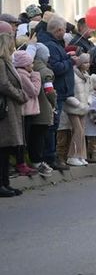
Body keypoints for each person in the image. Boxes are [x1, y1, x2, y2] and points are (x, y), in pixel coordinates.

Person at [39, 15, 75, 171]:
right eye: (64, 30)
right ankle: (50, 156)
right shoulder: (51, 45)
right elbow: (56, 68)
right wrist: (70, 61)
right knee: (52, 125)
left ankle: (51, 155)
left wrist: (66, 56)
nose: (65, 33)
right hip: (56, 91)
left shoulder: (54, 44)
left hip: (60, 91)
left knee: (53, 124)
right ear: (59, 30)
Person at [0, 32, 27, 197]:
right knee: (2, 148)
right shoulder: (1, 62)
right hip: (5, 109)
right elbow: (3, 84)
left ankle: (5, 182)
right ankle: (1, 183)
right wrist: (19, 94)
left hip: (11, 108)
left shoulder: (6, 62)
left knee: (7, 148)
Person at [27, 43, 56, 176]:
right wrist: (54, 102)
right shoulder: (46, 72)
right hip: (43, 109)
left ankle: (34, 160)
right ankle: (38, 161)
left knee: (33, 136)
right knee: (40, 136)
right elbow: (49, 90)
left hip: (31, 109)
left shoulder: (30, 69)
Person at [12, 50, 41, 176]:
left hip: (27, 111)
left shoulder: (23, 74)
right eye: (30, 64)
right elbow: (34, 91)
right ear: (24, 65)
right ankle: (20, 163)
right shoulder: (23, 75)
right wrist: (36, 77)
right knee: (23, 138)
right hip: (24, 111)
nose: (32, 66)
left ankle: (22, 161)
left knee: (25, 137)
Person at [63, 53, 92, 166]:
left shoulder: (87, 76)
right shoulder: (72, 75)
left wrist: (88, 102)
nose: (87, 64)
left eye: (88, 62)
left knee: (82, 131)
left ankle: (81, 155)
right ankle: (72, 155)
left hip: (84, 107)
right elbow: (69, 93)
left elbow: (90, 91)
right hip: (73, 107)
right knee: (78, 130)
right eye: (85, 62)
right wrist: (79, 104)